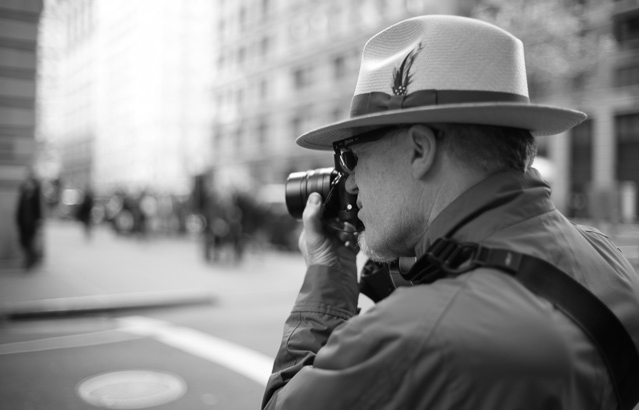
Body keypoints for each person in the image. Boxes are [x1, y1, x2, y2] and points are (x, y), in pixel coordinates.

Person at [262, 15, 639, 410]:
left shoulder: (410, 336)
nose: (350, 183)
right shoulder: (604, 257)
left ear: (420, 150)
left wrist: (327, 273)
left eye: (352, 156)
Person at [15, 172, 44, 270]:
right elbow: (19, 209)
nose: (28, 185)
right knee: (22, 242)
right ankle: (33, 258)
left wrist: (39, 220)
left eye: (30, 183)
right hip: (22, 222)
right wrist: (17, 219)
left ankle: (29, 261)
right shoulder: (23, 194)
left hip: (32, 223)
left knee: (29, 242)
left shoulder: (35, 196)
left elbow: (38, 209)